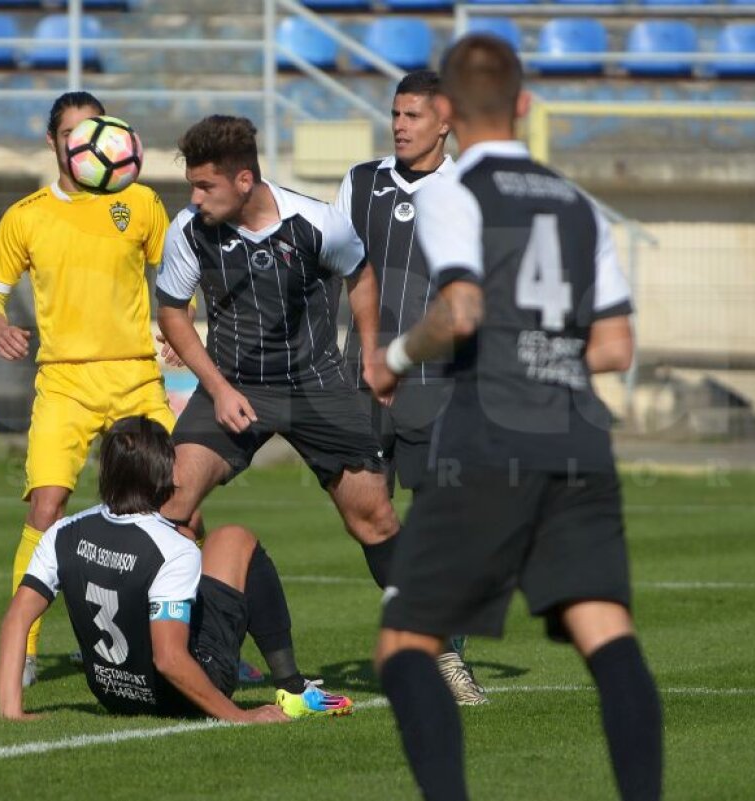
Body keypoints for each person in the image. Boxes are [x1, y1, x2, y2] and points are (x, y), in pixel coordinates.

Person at [373, 36, 662, 801]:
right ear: (525, 105)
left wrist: (394, 357)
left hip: (488, 441)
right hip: (579, 440)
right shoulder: (578, 205)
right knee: (608, 637)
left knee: (404, 644)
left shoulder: (452, 190)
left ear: (447, 110)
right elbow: (615, 345)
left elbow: (461, 309)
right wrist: (543, 350)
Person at [153, 116, 402, 705]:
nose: (194, 198)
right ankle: (197, 650)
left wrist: (371, 353)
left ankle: (429, 646)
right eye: (192, 186)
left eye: (205, 186)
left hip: (318, 387)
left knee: (373, 519)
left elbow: (361, 275)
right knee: (171, 505)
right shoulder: (188, 230)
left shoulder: (317, 222)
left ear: (244, 180)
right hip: (233, 383)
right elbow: (172, 312)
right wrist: (217, 387)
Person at [0, 91, 175, 688]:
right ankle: (26, 650)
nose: (84, 143)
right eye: (71, 134)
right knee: (47, 506)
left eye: (94, 131)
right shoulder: (26, 215)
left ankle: (199, 639)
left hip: (135, 374)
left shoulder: (140, 201)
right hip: (64, 381)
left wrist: (178, 328)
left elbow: (176, 277)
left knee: (178, 504)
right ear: (53, 142)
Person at [0, 416, 349, 722]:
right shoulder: (173, 549)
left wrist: (12, 711)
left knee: (207, 554)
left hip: (111, 694)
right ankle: (293, 688)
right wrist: (240, 716)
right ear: (163, 474)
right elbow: (168, 659)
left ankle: (13, 707)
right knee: (235, 539)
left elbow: (16, 619)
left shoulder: (63, 533)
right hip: (179, 696)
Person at [335, 69, 486, 707]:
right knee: (368, 515)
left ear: (445, 122)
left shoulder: (470, 192)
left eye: (413, 115)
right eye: (395, 114)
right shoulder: (360, 182)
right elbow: (327, 268)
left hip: (437, 387)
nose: (399, 126)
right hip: (362, 383)